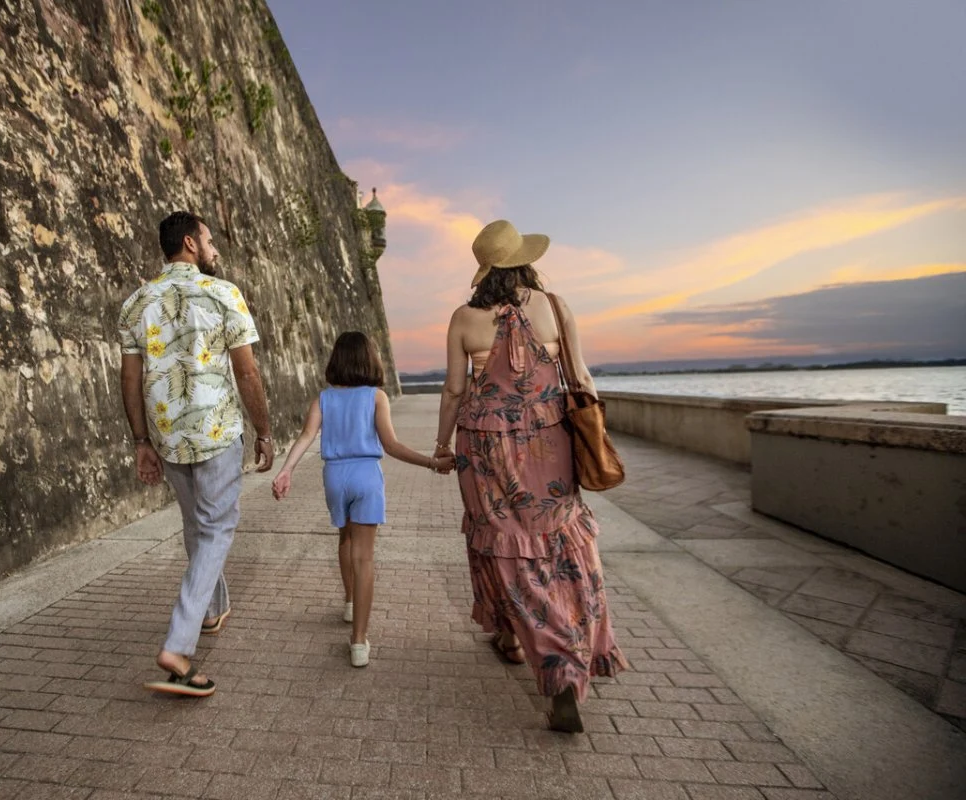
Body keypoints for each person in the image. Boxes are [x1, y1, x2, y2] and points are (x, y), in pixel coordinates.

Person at [434, 219, 628, 732]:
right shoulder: (555, 307)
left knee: (503, 545)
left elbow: (454, 391)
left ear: (484, 270)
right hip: (550, 442)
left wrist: (440, 444)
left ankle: (536, 647)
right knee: (562, 540)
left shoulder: (463, 317)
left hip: (484, 447)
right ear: (524, 261)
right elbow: (582, 378)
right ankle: (557, 648)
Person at [118, 211, 273, 697]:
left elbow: (129, 379)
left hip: (168, 436)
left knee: (197, 526)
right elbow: (246, 373)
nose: (215, 250)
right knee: (218, 528)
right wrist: (264, 430)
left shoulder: (136, 303)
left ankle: (210, 609)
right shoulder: (223, 293)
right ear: (190, 243)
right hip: (216, 431)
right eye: (210, 241)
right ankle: (178, 646)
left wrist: (141, 442)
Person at [271, 332, 454, 667]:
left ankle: (350, 601)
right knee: (365, 557)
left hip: (334, 476)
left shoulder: (322, 399)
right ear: (369, 359)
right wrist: (431, 462)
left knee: (345, 536)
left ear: (336, 360)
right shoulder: (376, 397)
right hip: (366, 475)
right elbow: (392, 445)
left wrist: (286, 471)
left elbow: (306, 436)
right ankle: (358, 642)